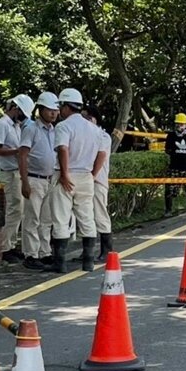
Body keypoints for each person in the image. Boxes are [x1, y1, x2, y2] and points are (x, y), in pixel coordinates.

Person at [46, 87, 104, 272]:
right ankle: (88, 261)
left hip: (67, 174)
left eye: (60, 107)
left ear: (65, 106)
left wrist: (64, 174)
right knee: (86, 217)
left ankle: (60, 263)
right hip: (86, 175)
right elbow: (101, 153)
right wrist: (93, 174)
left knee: (61, 217)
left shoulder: (64, 126)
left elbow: (63, 149)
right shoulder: (94, 129)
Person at [19, 92, 60, 270]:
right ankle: (31, 254)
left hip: (49, 179)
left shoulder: (54, 130)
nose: (53, 113)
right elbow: (22, 155)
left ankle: (45, 252)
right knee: (32, 218)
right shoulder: (31, 129)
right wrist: (25, 182)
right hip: (34, 178)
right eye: (49, 110)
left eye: (55, 110)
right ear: (41, 110)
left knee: (46, 219)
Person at [0, 94, 31, 259]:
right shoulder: (2, 125)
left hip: (17, 171)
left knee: (18, 210)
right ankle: (6, 247)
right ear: (15, 109)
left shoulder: (15, 125)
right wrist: (17, 151)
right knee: (14, 209)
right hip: (9, 171)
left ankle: (12, 244)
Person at [81, 104, 116, 258]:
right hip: (84, 181)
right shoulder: (84, 135)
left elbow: (99, 157)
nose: (85, 121)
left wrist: (92, 176)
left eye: (88, 118)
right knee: (84, 216)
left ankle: (107, 249)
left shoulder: (103, 136)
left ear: (96, 119)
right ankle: (86, 251)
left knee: (100, 214)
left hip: (97, 181)